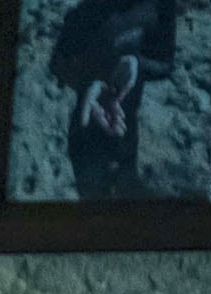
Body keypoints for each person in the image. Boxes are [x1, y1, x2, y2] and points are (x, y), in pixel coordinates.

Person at [50, 0, 177, 200]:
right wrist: (91, 82)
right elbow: (58, 64)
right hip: (89, 128)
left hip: (126, 128)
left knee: (128, 198)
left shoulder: (161, 7)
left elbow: (165, 63)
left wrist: (136, 62)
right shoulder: (86, 11)